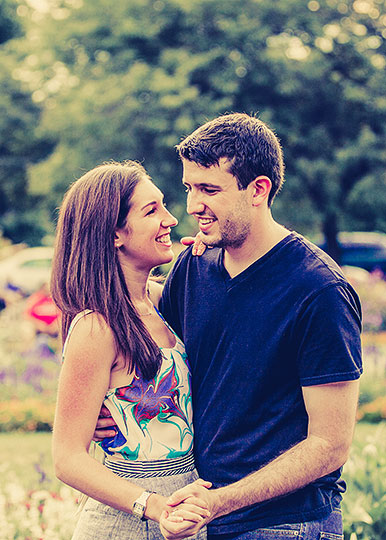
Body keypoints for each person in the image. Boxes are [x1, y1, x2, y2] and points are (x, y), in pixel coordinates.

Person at [96, 113, 362, 540]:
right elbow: (148, 347)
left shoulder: (319, 291)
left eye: (209, 189)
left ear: (258, 190)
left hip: (283, 523)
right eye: (189, 188)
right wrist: (106, 410)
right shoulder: (194, 265)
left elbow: (330, 445)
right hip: (202, 519)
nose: (191, 206)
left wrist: (219, 501)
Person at [50, 160, 210, 540]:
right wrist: (152, 506)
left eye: (164, 205)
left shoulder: (163, 301)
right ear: (116, 234)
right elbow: (67, 458)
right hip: (126, 522)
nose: (171, 219)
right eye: (152, 210)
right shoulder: (97, 327)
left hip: (187, 512)